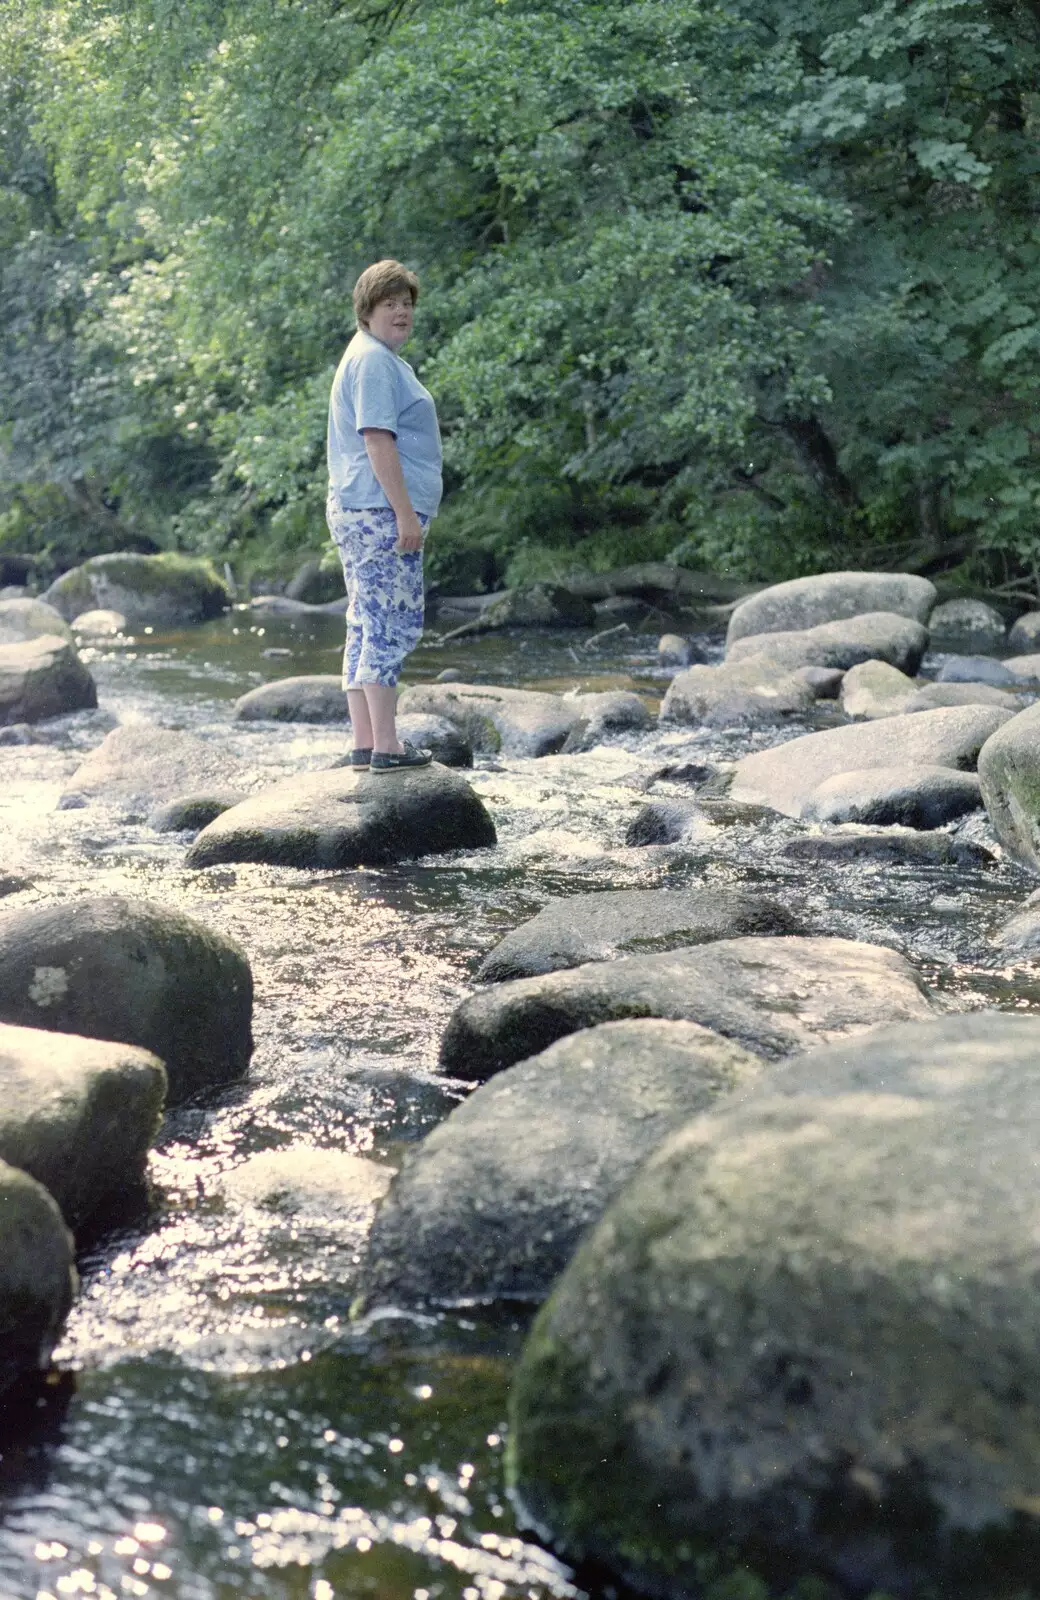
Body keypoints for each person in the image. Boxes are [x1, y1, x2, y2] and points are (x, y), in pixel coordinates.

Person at [326, 258, 443, 770]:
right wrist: (405, 516)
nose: (401, 312)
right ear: (367, 311)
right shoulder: (373, 360)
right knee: (388, 624)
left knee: (364, 622)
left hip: (360, 507)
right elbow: (377, 440)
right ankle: (387, 747)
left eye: (407, 304)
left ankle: (364, 741)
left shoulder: (373, 357)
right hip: (378, 511)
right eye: (389, 303)